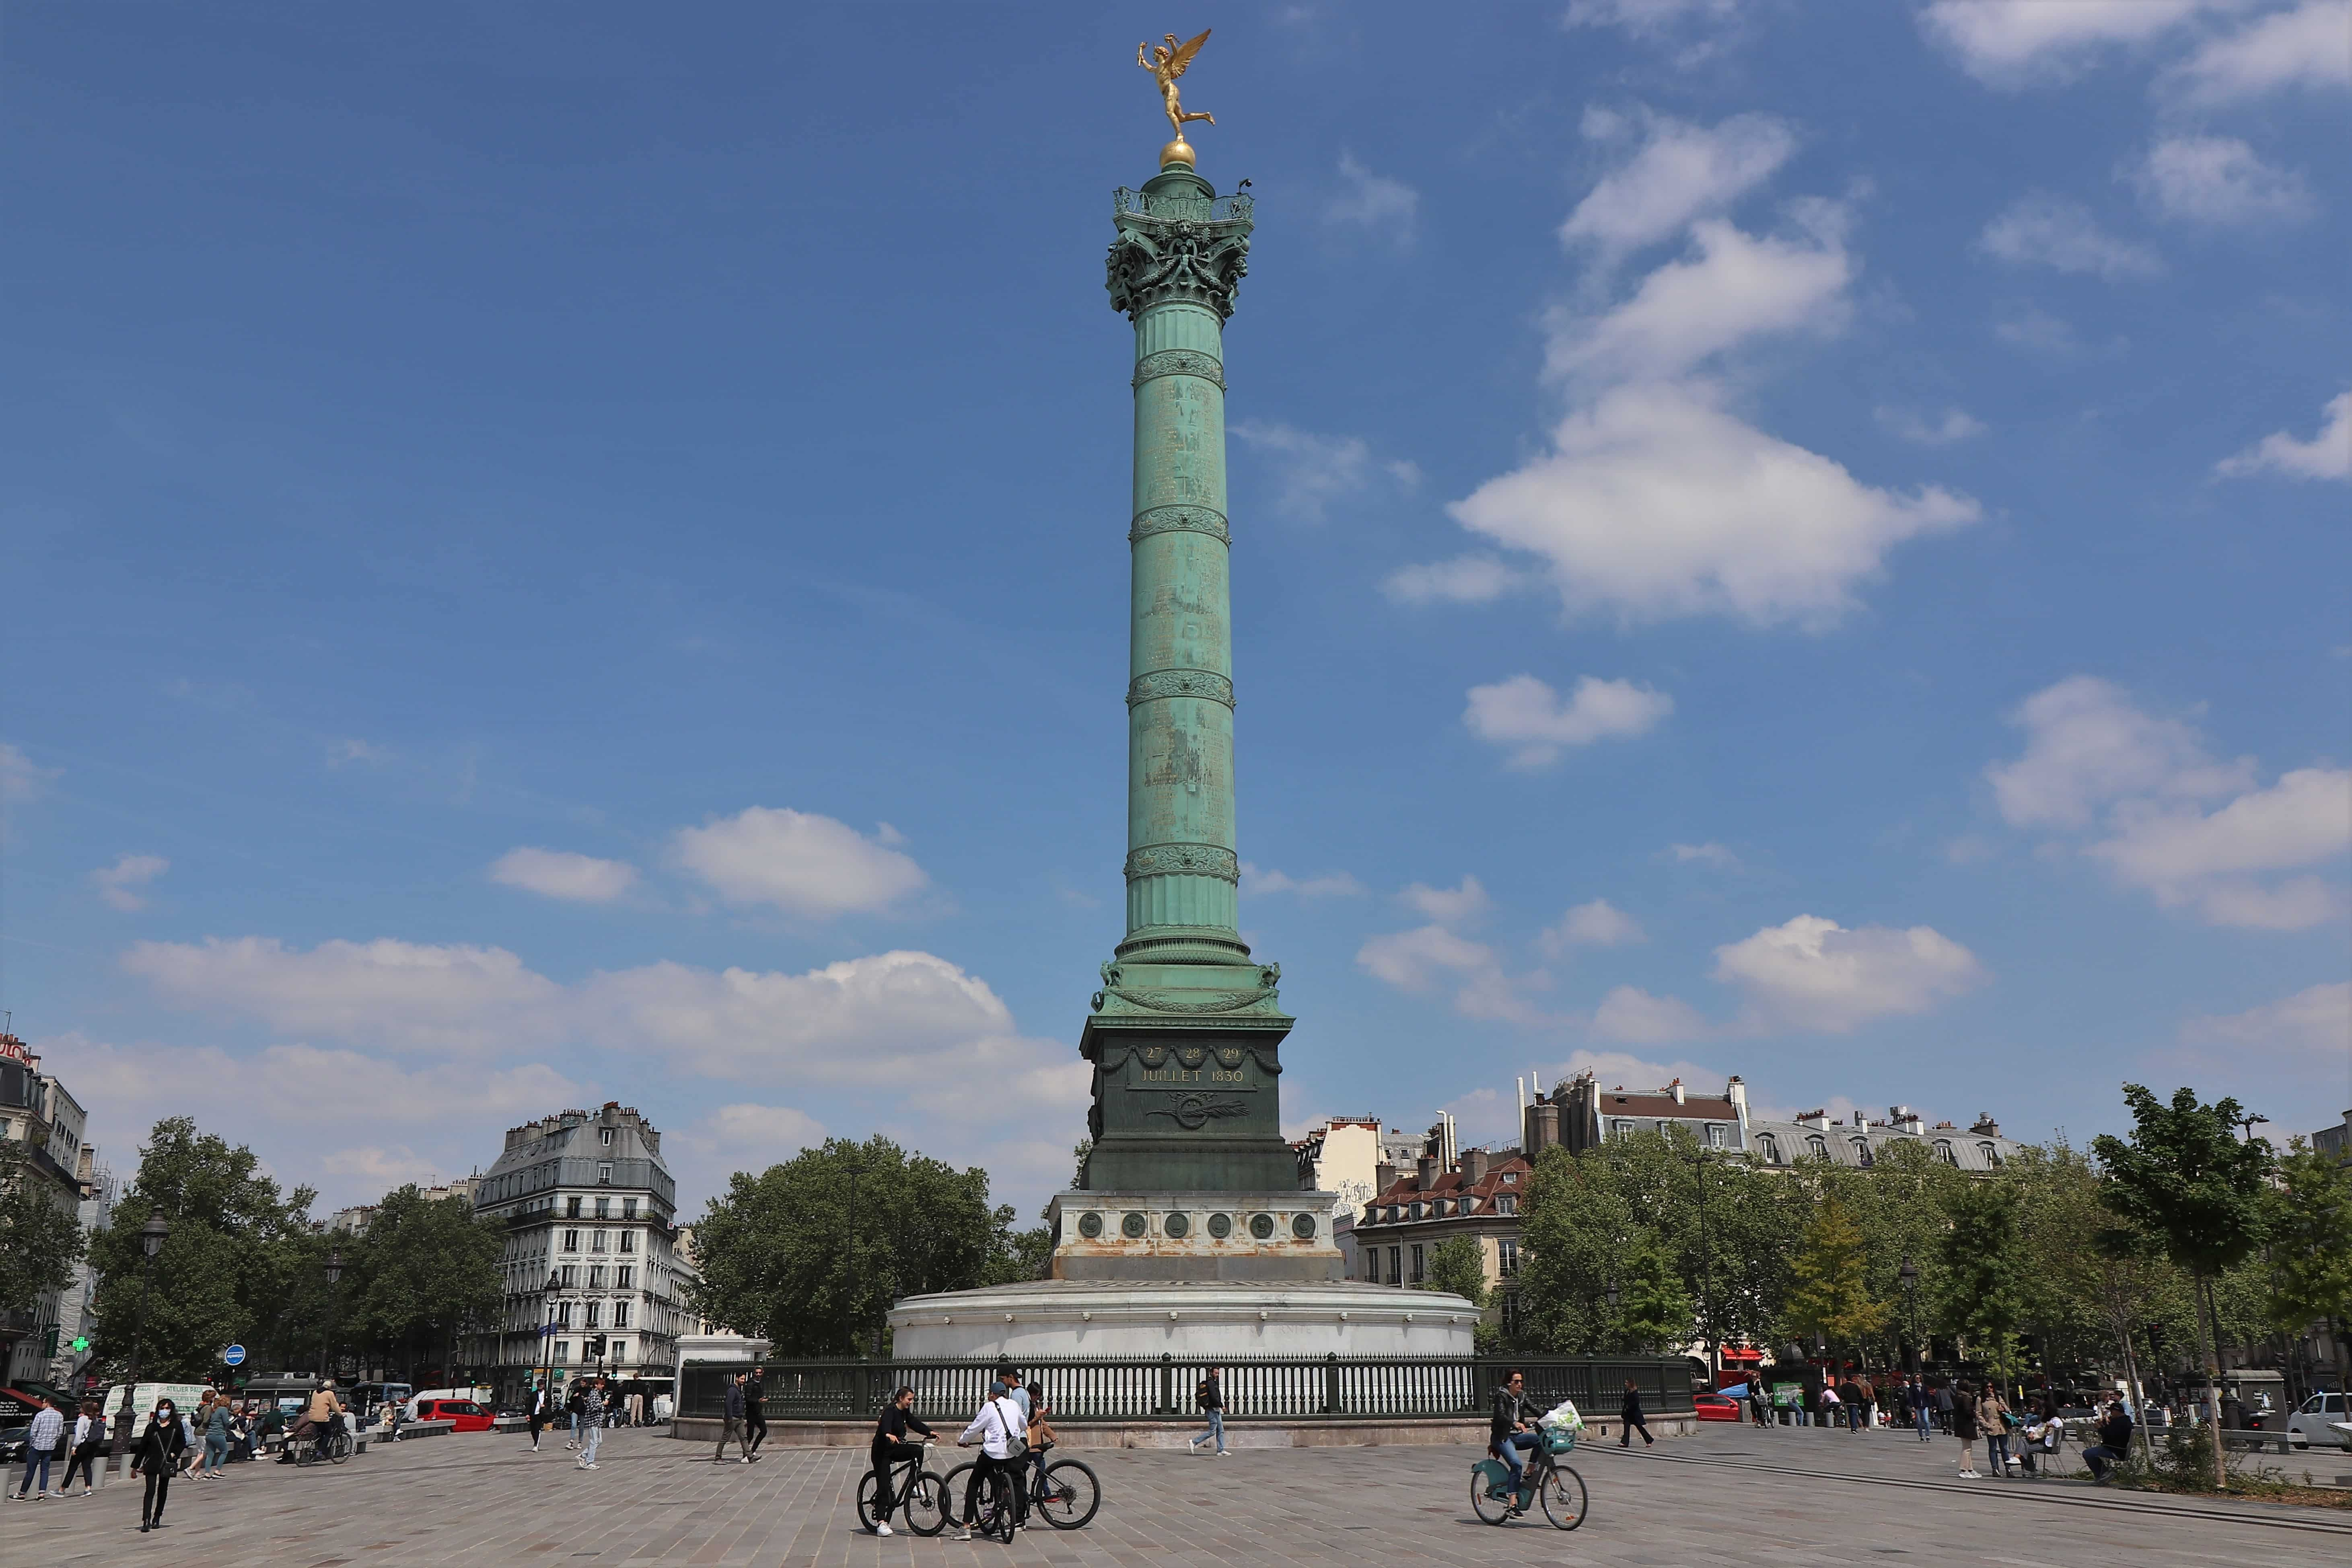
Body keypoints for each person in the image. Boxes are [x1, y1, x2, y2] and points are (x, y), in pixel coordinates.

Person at [955, 1380, 1029, 1541]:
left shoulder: (989, 1407)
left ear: (993, 1395)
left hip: (992, 1453)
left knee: (974, 1483)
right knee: (1009, 1476)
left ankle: (966, 1526)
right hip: (1010, 1453)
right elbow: (1023, 1425)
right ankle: (1006, 1498)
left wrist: (963, 1440)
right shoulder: (1014, 1405)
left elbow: (975, 1427)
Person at [867, 1385, 936, 1537]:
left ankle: (914, 1484)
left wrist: (929, 1432)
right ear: (900, 1398)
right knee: (884, 1487)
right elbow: (885, 1424)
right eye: (909, 1399)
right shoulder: (890, 1411)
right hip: (881, 1452)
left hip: (895, 1448)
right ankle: (881, 1523)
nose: (911, 1402)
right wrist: (888, 1434)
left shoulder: (905, 1412)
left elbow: (914, 1423)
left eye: (912, 1400)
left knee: (918, 1451)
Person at [130, 1399, 186, 1532]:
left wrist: (175, 1454)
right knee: (150, 1491)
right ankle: (146, 1520)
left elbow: (182, 1442)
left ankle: (157, 1517)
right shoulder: (152, 1427)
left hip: (166, 1462)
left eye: (167, 1408)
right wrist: (135, 1466)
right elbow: (143, 1447)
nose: (164, 1411)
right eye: (162, 1408)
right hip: (151, 1461)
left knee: (163, 1490)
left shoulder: (176, 1426)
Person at [1488, 1369, 1540, 1513]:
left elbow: (1535, 1409)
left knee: (1541, 1440)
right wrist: (1514, 1423)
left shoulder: (1522, 1396)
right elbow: (1500, 1416)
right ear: (1509, 1383)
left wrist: (1553, 1417)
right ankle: (1512, 1505)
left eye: (1521, 1381)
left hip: (1518, 1437)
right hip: (1503, 1437)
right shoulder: (1501, 1396)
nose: (1519, 1384)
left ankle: (1530, 1471)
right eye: (1516, 1381)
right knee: (1516, 1464)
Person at [11, 1394, 62, 1499]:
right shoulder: (59, 1416)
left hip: (38, 1446)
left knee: (31, 1470)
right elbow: (60, 1432)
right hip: (50, 1447)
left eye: (43, 1402)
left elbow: (33, 1432)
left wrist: (32, 1444)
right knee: (45, 1470)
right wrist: (53, 1441)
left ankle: (22, 1493)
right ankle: (42, 1494)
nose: (42, 1404)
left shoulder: (40, 1415)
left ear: (47, 1403)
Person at [2081, 1397, 2134, 1483]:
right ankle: (2103, 1475)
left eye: (2112, 1411)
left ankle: (2103, 1474)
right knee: (2091, 1453)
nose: (2111, 1413)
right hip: (2118, 1449)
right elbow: (2111, 1433)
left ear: (2117, 1411)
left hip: (2115, 1450)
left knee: (2088, 1453)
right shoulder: (2125, 1421)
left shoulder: (2120, 1423)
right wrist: (2104, 1425)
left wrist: (2100, 1429)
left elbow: (2110, 1435)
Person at [61, 1400, 103, 1496]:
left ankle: (62, 1489)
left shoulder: (82, 1419)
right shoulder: (94, 1419)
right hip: (91, 1445)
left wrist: (75, 1447)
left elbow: (79, 1435)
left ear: (85, 1409)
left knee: (72, 1467)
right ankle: (88, 1488)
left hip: (82, 1445)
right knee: (87, 1467)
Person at [715, 1371, 756, 1463]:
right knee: (725, 1438)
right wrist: (729, 1417)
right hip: (732, 1418)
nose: (743, 1381)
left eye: (744, 1379)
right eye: (742, 1379)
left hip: (739, 1418)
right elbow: (728, 1404)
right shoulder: (733, 1390)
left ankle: (749, 1456)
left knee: (744, 1438)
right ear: (737, 1379)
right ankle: (718, 1457)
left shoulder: (738, 1390)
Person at [1187, 1366, 1225, 1456]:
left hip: (1215, 1410)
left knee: (1221, 1430)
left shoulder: (1213, 1383)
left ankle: (1221, 1450)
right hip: (1212, 1410)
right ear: (1211, 1373)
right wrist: (1222, 1406)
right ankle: (1194, 1442)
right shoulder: (1211, 1383)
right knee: (1213, 1431)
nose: (1217, 1375)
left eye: (1218, 1373)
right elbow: (1214, 1397)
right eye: (1216, 1373)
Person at [1951, 1380, 1982, 1478]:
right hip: (1966, 1425)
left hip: (1961, 1425)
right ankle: (1964, 1469)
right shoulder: (1965, 1398)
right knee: (1967, 1448)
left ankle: (1970, 1468)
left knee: (1968, 1447)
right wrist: (1975, 1414)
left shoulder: (1957, 1397)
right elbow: (1968, 1411)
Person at [576, 1377, 608, 1470]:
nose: (603, 1386)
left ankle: (583, 1455)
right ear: (596, 1385)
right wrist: (603, 1404)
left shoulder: (596, 1394)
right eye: (601, 1384)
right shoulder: (594, 1394)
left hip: (597, 1421)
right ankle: (590, 1462)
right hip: (593, 1421)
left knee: (599, 1441)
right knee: (594, 1442)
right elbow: (592, 1407)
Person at [1619, 1379, 1655, 1448]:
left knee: (1640, 1427)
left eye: (1627, 1383)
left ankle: (1649, 1440)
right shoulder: (1627, 1391)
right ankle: (1625, 1443)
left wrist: (1629, 1406)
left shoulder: (1634, 1392)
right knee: (1626, 1427)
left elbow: (1636, 1402)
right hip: (1628, 1414)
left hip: (1634, 1414)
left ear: (1630, 1383)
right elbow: (1626, 1400)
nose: (1625, 1384)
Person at [744, 1367, 768, 1456]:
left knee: (764, 1431)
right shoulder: (751, 1384)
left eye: (760, 1373)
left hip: (758, 1412)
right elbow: (748, 1398)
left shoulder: (760, 1384)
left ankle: (753, 1450)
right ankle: (745, 1455)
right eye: (756, 1373)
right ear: (754, 1374)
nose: (758, 1375)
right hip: (751, 1413)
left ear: (762, 1373)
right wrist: (758, 1401)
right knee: (750, 1435)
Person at [527, 1382, 550, 1452]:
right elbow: (529, 1404)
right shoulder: (533, 1394)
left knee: (538, 1429)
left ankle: (536, 1445)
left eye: (541, 1386)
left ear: (543, 1386)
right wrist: (527, 1414)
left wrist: (545, 1406)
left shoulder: (547, 1394)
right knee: (533, 1430)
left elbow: (550, 1403)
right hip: (533, 1413)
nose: (540, 1388)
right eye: (538, 1386)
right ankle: (536, 1441)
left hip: (541, 1414)